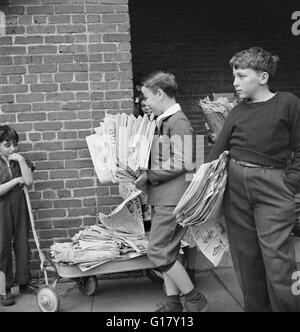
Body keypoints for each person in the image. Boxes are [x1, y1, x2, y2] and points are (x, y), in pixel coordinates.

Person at [207, 47, 300, 312]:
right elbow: (217, 153)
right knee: (245, 259)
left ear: (263, 77)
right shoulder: (237, 111)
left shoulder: (288, 103)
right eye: (234, 76)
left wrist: (290, 182)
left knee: (278, 261)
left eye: (240, 75)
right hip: (235, 187)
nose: (234, 82)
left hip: (273, 185)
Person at [135, 71, 208, 312]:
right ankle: (173, 305)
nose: (145, 103)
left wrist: (150, 174)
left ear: (160, 94)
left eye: (147, 97)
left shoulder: (178, 121)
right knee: (168, 253)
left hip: (172, 199)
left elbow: (184, 160)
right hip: (164, 197)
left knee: (157, 253)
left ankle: (195, 300)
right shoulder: (164, 120)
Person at [0, 125, 37, 306]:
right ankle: (3, 288)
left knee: (22, 241)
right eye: (7, 145)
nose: (13, 149)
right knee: (2, 247)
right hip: (2, 208)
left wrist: (21, 159)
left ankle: (23, 282)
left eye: (15, 144)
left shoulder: (19, 160)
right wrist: (16, 180)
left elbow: (29, 181)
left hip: (19, 204)